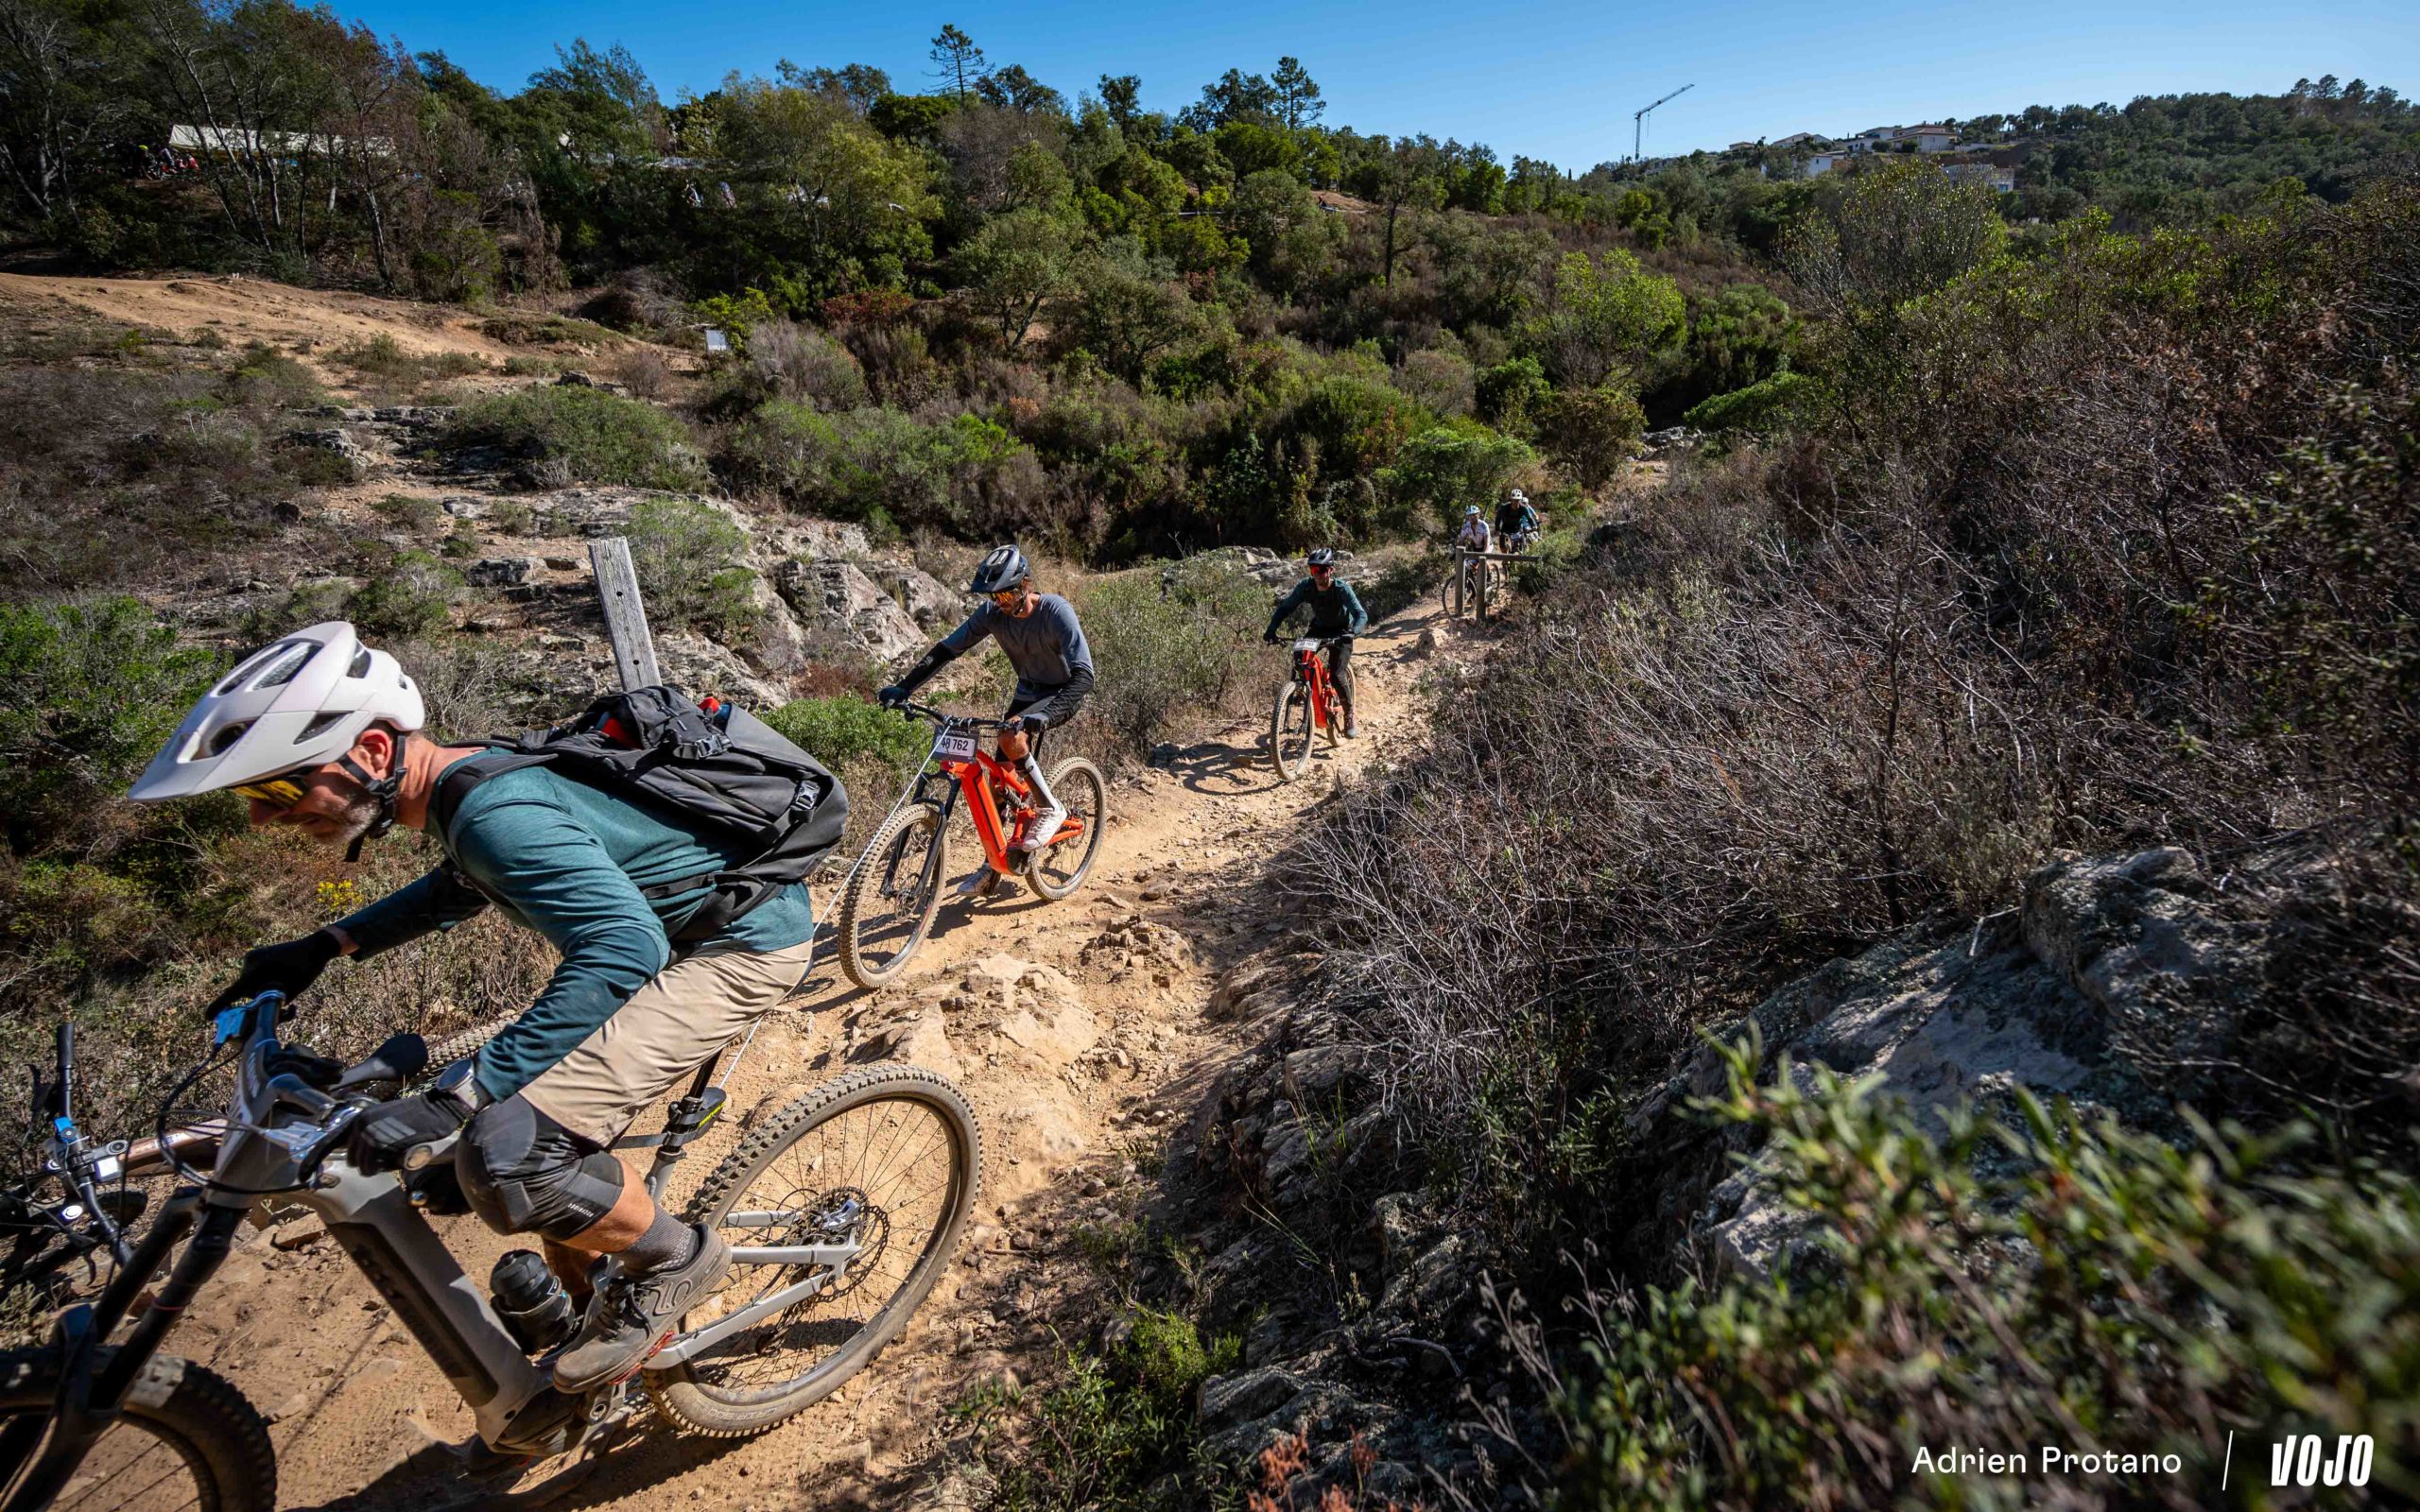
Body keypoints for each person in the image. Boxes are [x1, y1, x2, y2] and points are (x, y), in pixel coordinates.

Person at [127, 622, 821, 1393]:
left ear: (374, 751)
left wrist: (462, 1094)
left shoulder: (493, 813)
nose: (263, 817)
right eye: (252, 797)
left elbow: (625, 948)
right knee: (502, 1149)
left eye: (279, 789)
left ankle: (678, 1260)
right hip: (687, 932)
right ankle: (591, 1292)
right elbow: (462, 884)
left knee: (513, 1151)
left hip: (738, 947)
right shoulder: (466, 787)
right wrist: (328, 943)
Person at [880, 545, 1095, 898]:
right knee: (996, 783)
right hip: (1027, 693)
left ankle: (1050, 807)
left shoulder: (1056, 611)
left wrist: (1044, 716)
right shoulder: (993, 614)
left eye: (1006, 594)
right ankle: (992, 864)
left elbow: (1084, 675)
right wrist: (904, 687)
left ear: (1025, 584)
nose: (1000, 603)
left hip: (1062, 692)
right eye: (993, 596)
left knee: (1012, 738)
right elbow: (946, 650)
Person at [1262, 547, 1368, 738]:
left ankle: (1349, 714)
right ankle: (1306, 693)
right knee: (1300, 658)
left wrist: (1353, 631)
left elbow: (1360, 614)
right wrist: (1272, 629)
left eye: (1321, 569)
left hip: (1342, 631)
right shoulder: (1306, 587)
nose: (1317, 574)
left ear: (1331, 570)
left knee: (1336, 674)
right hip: (1319, 629)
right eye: (1313, 569)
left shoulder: (1341, 589)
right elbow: (1285, 608)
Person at [1494, 488, 1539, 552]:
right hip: (1506, 527)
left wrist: (1534, 525)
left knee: (1521, 543)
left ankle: (1522, 552)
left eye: (1517, 500)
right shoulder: (1504, 507)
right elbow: (1498, 518)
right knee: (1502, 543)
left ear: (1520, 500)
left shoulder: (1523, 508)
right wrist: (1497, 529)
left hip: (1517, 527)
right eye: (1514, 500)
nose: (1515, 502)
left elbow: (1529, 518)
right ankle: (1505, 555)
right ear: (1511, 500)